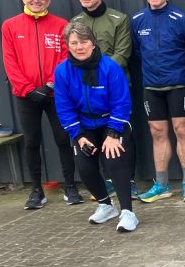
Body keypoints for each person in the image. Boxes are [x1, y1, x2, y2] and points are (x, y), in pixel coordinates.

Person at [0, 0, 81, 209]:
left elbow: (66, 57)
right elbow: (10, 61)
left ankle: (70, 186)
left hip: (55, 93)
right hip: (26, 95)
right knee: (32, 141)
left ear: (49, 0)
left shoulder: (61, 24)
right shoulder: (10, 26)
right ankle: (36, 190)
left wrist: (50, 85)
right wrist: (28, 89)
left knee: (63, 138)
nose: (36, 0)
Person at [54, 21, 138, 232]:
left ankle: (128, 212)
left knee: (114, 160)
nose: (79, 47)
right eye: (74, 43)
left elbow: (121, 102)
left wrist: (113, 133)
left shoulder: (110, 67)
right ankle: (106, 205)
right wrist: (78, 135)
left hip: (112, 122)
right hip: (84, 126)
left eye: (84, 42)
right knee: (84, 166)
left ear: (93, 43)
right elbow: (64, 106)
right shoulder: (62, 71)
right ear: (68, 45)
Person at [130, 0, 185, 203]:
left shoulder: (182, 18)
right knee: (157, 132)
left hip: (178, 84)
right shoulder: (137, 19)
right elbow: (138, 51)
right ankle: (161, 184)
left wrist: (183, 73)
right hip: (151, 86)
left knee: (181, 129)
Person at [70, 0, 137, 197]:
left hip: (115, 89)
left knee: (121, 135)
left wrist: (102, 78)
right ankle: (107, 182)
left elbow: (122, 53)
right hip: (86, 93)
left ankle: (129, 181)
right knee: (96, 137)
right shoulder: (75, 23)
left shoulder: (119, 19)